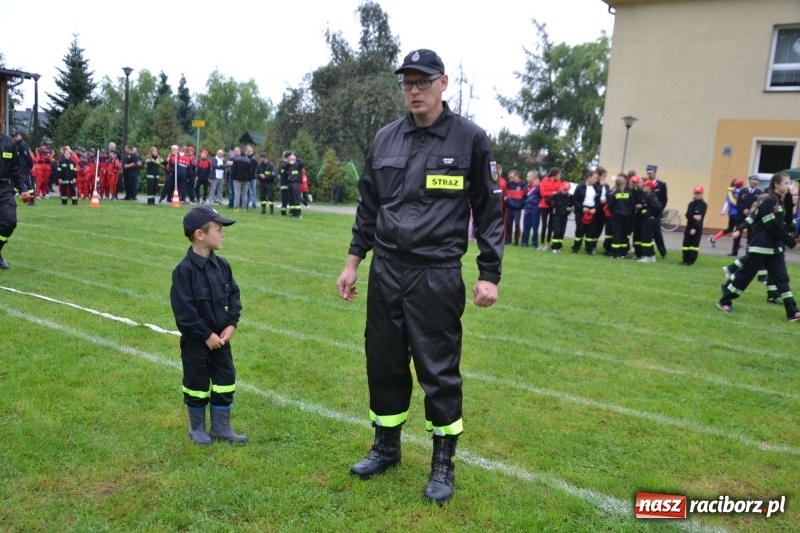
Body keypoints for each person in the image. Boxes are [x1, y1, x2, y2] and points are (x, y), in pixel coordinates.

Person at [335, 49, 503, 505]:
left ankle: (442, 464)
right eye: (407, 82)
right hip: (387, 270)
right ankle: (386, 447)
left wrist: (490, 273)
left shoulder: (469, 139)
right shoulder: (386, 138)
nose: (414, 90)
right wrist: (354, 262)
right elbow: (369, 206)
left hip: (437, 272)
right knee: (384, 361)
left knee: (438, 370)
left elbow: (488, 210)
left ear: (443, 83)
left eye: (423, 81)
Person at [170, 205, 247, 444]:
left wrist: (231, 325)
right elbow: (184, 312)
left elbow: (234, 296)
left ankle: (221, 428)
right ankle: (197, 429)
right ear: (200, 234)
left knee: (226, 380)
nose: (223, 234)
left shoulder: (222, 265)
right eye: (218, 229)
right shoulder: (184, 271)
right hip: (197, 343)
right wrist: (206, 335)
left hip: (221, 340)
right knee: (197, 384)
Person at [717, 172, 800, 321]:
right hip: (761, 246)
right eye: (786, 183)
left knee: (782, 279)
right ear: (776, 184)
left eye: (789, 183)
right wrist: (790, 241)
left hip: (775, 249)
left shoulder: (780, 201)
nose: (790, 186)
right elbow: (771, 225)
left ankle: (792, 311)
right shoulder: (768, 200)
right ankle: (724, 300)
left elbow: (786, 221)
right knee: (745, 276)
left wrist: (789, 198)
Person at [0, 130, 33, 269]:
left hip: (4, 188)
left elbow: (16, 169)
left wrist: (23, 189)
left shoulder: (8, 143)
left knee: (10, 221)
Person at [708, 178, 744, 254]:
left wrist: (724, 211)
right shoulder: (738, 192)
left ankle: (714, 238)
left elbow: (727, 202)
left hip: (731, 213)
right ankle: (737, 245)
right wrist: (723, 211)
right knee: (738, 229)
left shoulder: (731, 191)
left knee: (730, 228)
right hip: (736, 213)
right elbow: (729, 202)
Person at [571, 170, 598, 254]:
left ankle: (589, 249)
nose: (596, 180)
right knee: (580, 229)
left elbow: (598, 201)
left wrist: (595, 208)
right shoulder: (580, 187)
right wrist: (581, 208)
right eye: (594, 178)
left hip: (592, 211)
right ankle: (576, 247)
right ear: (589, 177)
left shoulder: (596, 188)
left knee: (590, 231)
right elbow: (574, 200)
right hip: (581, 211)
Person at [679, 186, 708, 266]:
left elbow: (699, 218)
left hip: (697, 227)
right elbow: (688, 215)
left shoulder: (703, 205)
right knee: (686, 244)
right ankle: (685, 260)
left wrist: (694, 228)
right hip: (689, 226)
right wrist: (693, 216)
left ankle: (691, 261)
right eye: (696, 193)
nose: (697, 195)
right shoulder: (691, 204)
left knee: (694, 245)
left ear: (702, 194)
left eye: (699, 193)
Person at [606, 174, 633, 259]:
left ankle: (615, 253)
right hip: (627, 218)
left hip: (616, 218)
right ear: (624, 184)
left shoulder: (614, 194)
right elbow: (632, 205)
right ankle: (623, 253)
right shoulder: (628, 194)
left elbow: (610, 206)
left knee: (616, 235)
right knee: (624, 235)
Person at [637, 179, 662, 263]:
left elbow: (658, 207)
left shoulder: (652, 196)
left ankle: (647, 256)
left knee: (646, 239)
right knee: (648, 239)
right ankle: (651, 255)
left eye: (644, 186)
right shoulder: (648, 196)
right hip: (645, 219)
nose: (643, 187)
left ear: (649, 187)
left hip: (649, 221)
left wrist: (653, 216)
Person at [646, 165, 668, 259]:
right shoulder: (646, 184)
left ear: (654, 172)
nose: (648, 175)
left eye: (650, 173)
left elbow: (664, 199)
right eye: (648, 173)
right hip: (649, 213)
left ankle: (663, 252)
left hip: (657, 213)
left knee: (657, 233)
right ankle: (650, 252)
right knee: (649, 233)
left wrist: (659, 211)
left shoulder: (661, 185)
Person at [537, 167, 562, 250]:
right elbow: (543, 193)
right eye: (559, 174)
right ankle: (542, 243)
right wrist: (553, 192)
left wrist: (553, 194)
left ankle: (548, 243)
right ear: (554, 174)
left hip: (553, 206)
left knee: (551, 225)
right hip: (544, 205)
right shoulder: (545, 181)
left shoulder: (559, 182)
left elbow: (559, 193)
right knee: (544, 225)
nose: (560, 176)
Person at [547, 181, 573, 254]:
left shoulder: (570, 197)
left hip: (564, 216)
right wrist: (553, 207)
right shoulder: (556, 195)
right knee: (557, 232)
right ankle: (554, 247)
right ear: (561, 188)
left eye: (567, 190)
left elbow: (572, 205)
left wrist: (569, 210)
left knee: (562, 232)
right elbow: (548, 200)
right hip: (557, 216)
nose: (565, 191)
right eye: (564, 190)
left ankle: (559, 247)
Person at [11, 132, 35, 207]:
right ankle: (10, 197)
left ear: (19, 136)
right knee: (18, 183)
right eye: (13, 137)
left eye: (15, 136)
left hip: (24, 168)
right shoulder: (17, 144)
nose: (14, 138)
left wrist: (30, 166)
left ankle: (31, 200)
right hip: (20, 168)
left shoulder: (23, 145)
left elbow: (27, 157)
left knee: (27, 184)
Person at [504, 170, 524, 245]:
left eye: (512, 177)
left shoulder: (522, 184)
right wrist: (506, 198)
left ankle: (516, 241)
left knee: (517, 224)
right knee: (508, 224)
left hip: (517, 208)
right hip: (509, 207)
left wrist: (520, 204)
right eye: (510, 178)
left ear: (516, 175)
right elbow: (505, 193)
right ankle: (508, 240)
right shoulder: (508, 184)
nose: (511, 179)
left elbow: (525, 196)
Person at [520, 170, 540, 248]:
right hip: (527, 208)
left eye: (528, 176)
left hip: (535, 208)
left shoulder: (539, 187)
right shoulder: (527, 186)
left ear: (533, 177)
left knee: (535, 227)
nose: (527, 178)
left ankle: (534, 243)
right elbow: (524, 196)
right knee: (526, 226)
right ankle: (524, 242)